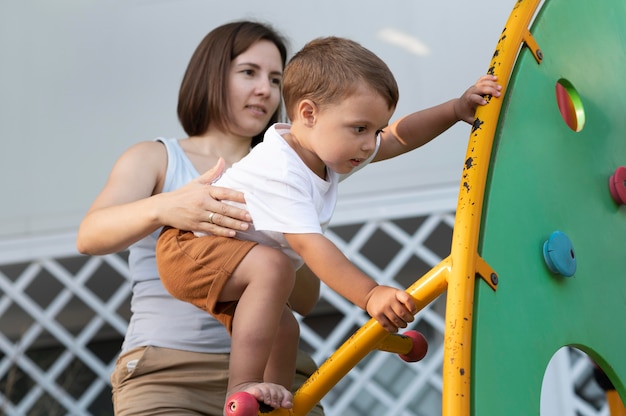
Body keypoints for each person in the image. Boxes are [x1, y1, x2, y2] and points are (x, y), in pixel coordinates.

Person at [156, 36, 502, 412]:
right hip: (188, 248)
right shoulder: (282, 169)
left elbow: (399, 137)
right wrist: (370, 294)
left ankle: (273, 403)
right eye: (359, 129)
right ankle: (242, 388)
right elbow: (309, 245)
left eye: (375, 130)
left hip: (225, 252)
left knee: (283, 328)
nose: (370, 144)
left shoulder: (324, 148)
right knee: (272, 268)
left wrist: (454, 109)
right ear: (308, 114)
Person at [76, 21, 325, 416]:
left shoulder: (289, 174)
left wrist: (286, 233)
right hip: (168, 375)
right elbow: (89, 236)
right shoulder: (155, 157)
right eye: (249, 72)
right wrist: (167, 207)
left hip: (273, 377)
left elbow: (307, 300)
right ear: (211, 75)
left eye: (276, 79)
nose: (265, 89)